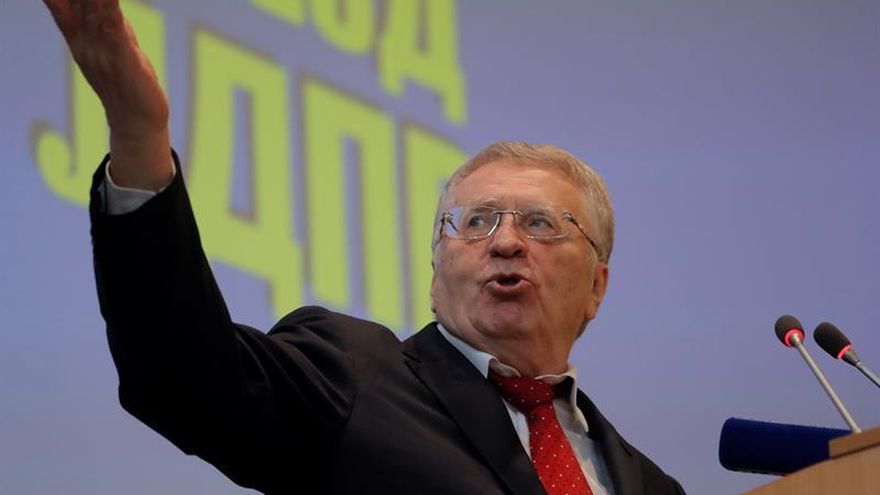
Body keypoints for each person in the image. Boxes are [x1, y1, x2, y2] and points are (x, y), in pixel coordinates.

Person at [45, 1, 686, 494]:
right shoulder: (354, 375)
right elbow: (183, 377)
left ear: (597, 286)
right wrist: (139, 134)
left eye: (541, 224)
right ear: (435, 273)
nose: (505, 242)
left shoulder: (650, 484)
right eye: (476, 221)